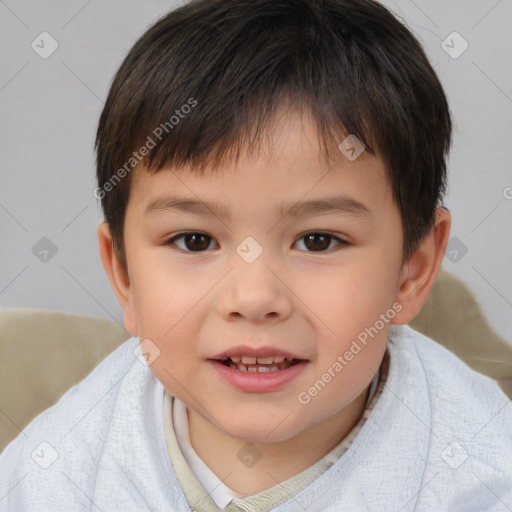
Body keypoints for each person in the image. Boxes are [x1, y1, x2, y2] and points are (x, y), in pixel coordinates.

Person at [1, 0, 511, 510]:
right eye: (194, 240)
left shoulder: (484, 476)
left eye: (318, 240)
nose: (253, 298)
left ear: (412, 271)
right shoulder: (55, 475)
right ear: (124, 274)